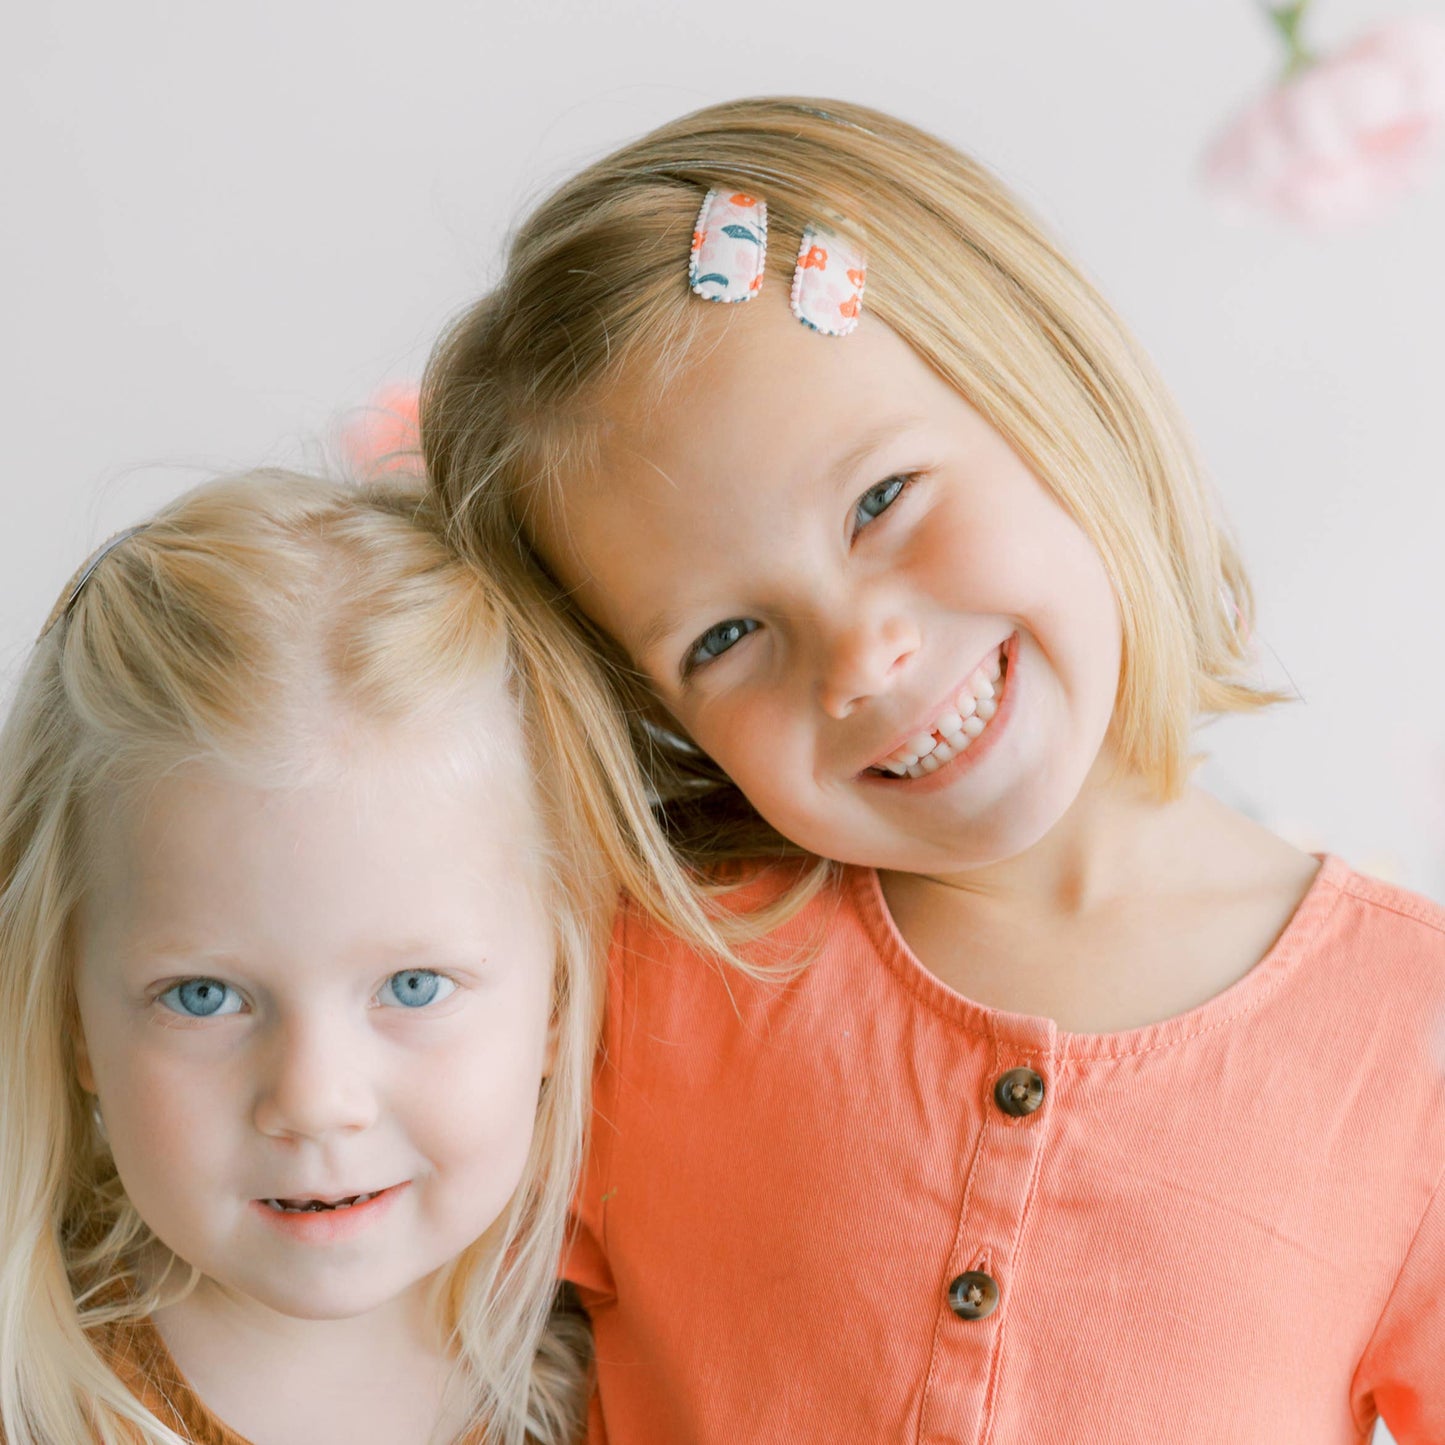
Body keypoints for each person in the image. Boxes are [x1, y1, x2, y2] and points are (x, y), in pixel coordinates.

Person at [419, 97, 1445, 1442]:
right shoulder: (636, 983)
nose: (857, 658)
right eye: (726, 637)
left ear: (1046, 389)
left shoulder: (1411, 1042)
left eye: (881, 500)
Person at [0, 469, 715, 1445]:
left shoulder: (651, 1378)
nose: (314, 1097)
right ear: (75, 1010)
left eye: (411, 986)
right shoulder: (31, 1399)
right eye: (204, 995)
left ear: (554, 991)